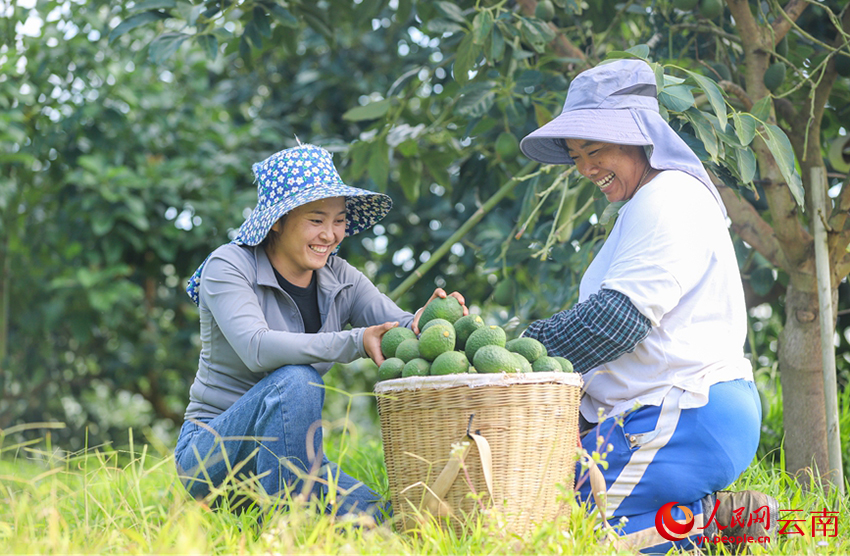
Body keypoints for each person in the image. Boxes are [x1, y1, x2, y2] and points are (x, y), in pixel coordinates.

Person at [518, 59, 777, 552]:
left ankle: (716, 525)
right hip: (660, 414)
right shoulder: (643, 206)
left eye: (594, 149)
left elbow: (616, 321)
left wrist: (521, 352)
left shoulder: (669, 198)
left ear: (641, 138)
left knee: (558, 521)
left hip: (683, 410)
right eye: (576, 155)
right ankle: (716, 525)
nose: (585, 168)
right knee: (538, 501)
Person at [175, 143, 466, 521]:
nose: (330, 235)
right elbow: (255, 347)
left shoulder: (339, 276)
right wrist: (355, 341)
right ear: (277, 220)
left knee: (392, 522)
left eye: (339, 220)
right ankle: (288, 532)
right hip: (212, 457)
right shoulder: (228, 265)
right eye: (316, 220)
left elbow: (396, 329)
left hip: (292, 461)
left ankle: (295, 514)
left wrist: (432, 321)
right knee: (296, 379)